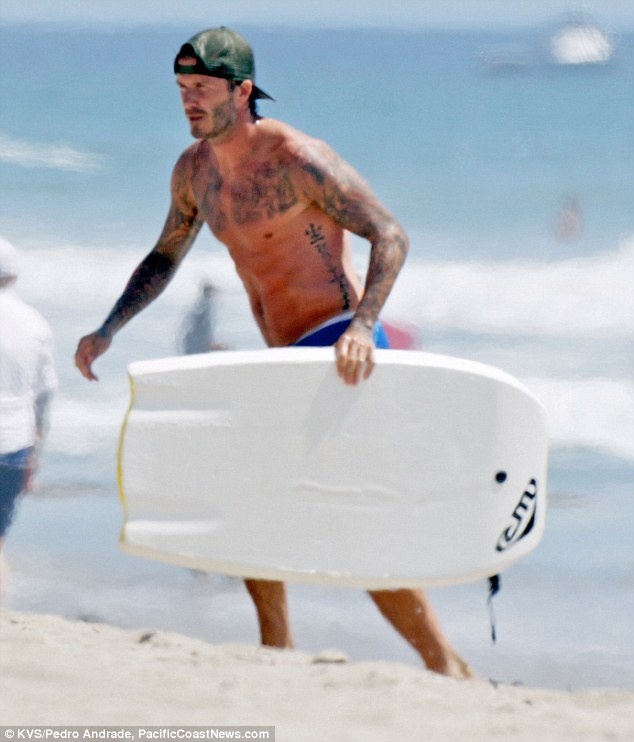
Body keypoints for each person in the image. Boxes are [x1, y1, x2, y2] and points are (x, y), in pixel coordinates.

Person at [75, 26, 472, 678]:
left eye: (202, 88)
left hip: (338, 347)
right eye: (182, 88)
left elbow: (390, 234)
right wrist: (109, 327)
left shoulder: (297, 159)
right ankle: (292, 650)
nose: (189, 100)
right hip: (284, 359)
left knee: (336, 517)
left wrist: (361, 327)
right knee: (251, 500)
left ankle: (434, 662)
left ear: (243, 91)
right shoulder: (196, 171)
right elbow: (166, 254)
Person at [0, 237, 57, 600]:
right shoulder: (35, 323)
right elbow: (44, 396)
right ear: (14, 275)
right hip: (13, 445)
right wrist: (35, 455)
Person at [178, 280, 227, 354]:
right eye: (212, 292)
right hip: (197, 347)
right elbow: (200, 328)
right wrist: (206, 344)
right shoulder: (203, 308)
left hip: (197, 345)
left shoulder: (204, 306)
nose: (214, 295)